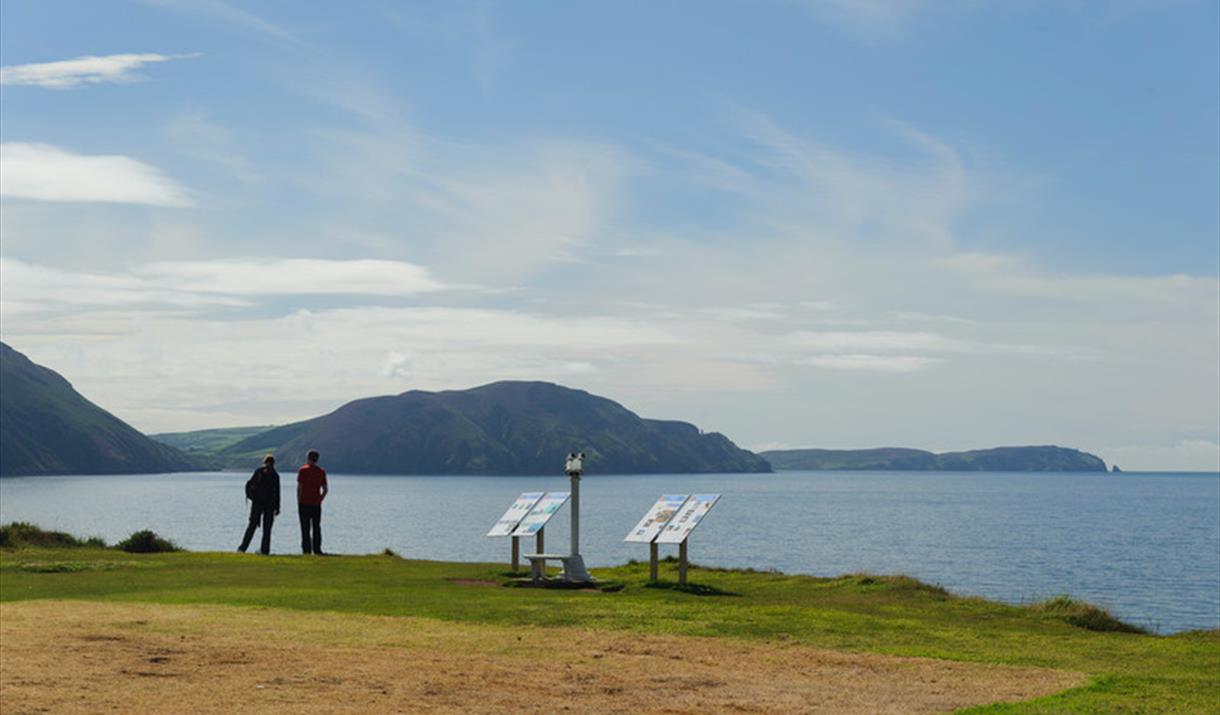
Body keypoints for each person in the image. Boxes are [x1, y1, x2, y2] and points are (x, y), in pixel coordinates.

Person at [238, 455, 281, 554]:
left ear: (264, 462)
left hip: (257, 503)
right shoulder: (275, 475)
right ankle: (265, 550)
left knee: (252, 526)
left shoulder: (259, 472)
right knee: (267, 529)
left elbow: (250, 484)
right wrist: (277, 507)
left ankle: (242, 548)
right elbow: (277, 493)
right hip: (270, 505)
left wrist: (252, 497)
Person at [297, 449, 328, 555]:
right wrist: (320, 499)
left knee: (305, 528)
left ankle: (306, 549)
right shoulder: (321, 472)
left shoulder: (302, 470)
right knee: (316, 527)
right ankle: (317, 549)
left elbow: (299, 487)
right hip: (316, 503)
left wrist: (299, 500)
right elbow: (325, 489)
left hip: (304, 502)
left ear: (308, 458)